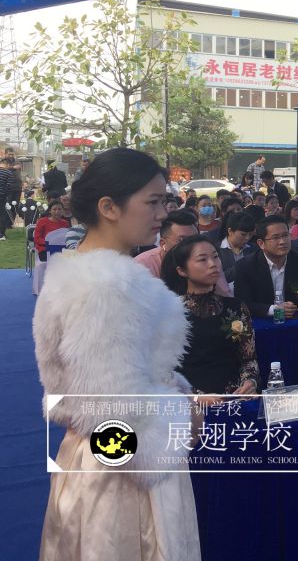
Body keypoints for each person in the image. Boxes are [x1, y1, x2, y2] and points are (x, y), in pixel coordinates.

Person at [34, 147, 200, 560]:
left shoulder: (80, 273)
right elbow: (114, 418)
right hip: (125, 481)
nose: (163, 213)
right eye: (153, 202)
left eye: (165, 201)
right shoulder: (106, 286)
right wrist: (185, 416)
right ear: (109, 207)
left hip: (94, 462)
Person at [160, 235, 259, 395]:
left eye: (215, 257)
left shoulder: (236, 308)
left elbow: (248, 358)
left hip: (234, 396)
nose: (213, 264)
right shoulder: (168, 312)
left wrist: (249, 381)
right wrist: (195, 397)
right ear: (182, 270)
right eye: (202, 260)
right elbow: (163, 370)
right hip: (189, 401)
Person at [233, 214, 298, 319]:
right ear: (261, 243)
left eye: (285, 235)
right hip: (262, 322)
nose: (282, 242)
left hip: (296, 320)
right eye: (275, 238)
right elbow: (242, 304)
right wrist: (274, 310)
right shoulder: (245, 266)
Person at [135, 210, 232, 297]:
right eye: (182, 240)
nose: (191, 246)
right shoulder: (142, 266)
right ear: (163, 243)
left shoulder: (208, 261)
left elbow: (224, 293)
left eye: (195, 239)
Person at [217, 210, 256, 282]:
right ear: (230, 231)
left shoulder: (255, 249)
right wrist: (242, 266)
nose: (247, 238)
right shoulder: (216, 250)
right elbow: (217, 277)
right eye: (243, 234)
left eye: (250, 234)